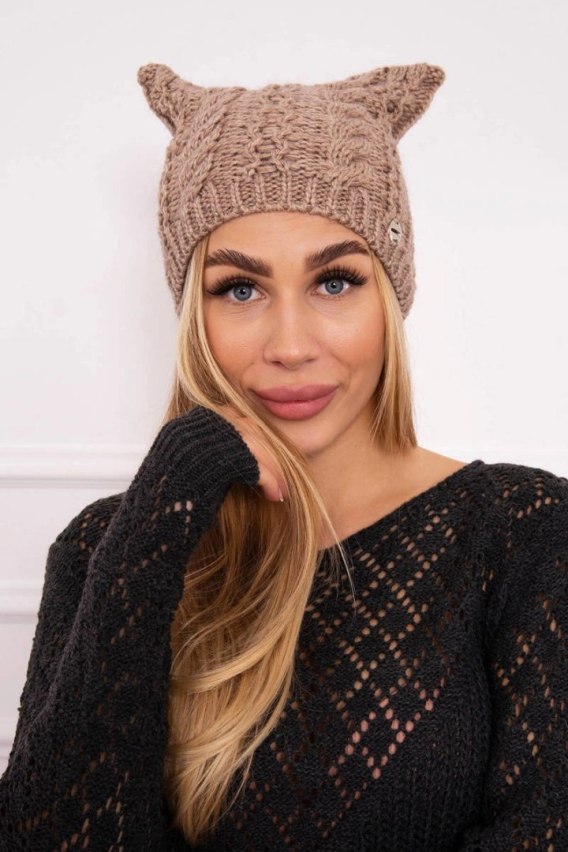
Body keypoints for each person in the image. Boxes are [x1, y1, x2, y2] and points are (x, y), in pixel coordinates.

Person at [0, 60, 566, 852]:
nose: (291, 345)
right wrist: (164, 507)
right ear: (193, 315)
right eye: (240, 289)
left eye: (335, 282)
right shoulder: (108, 546)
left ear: (390, 299)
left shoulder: (525, 532)